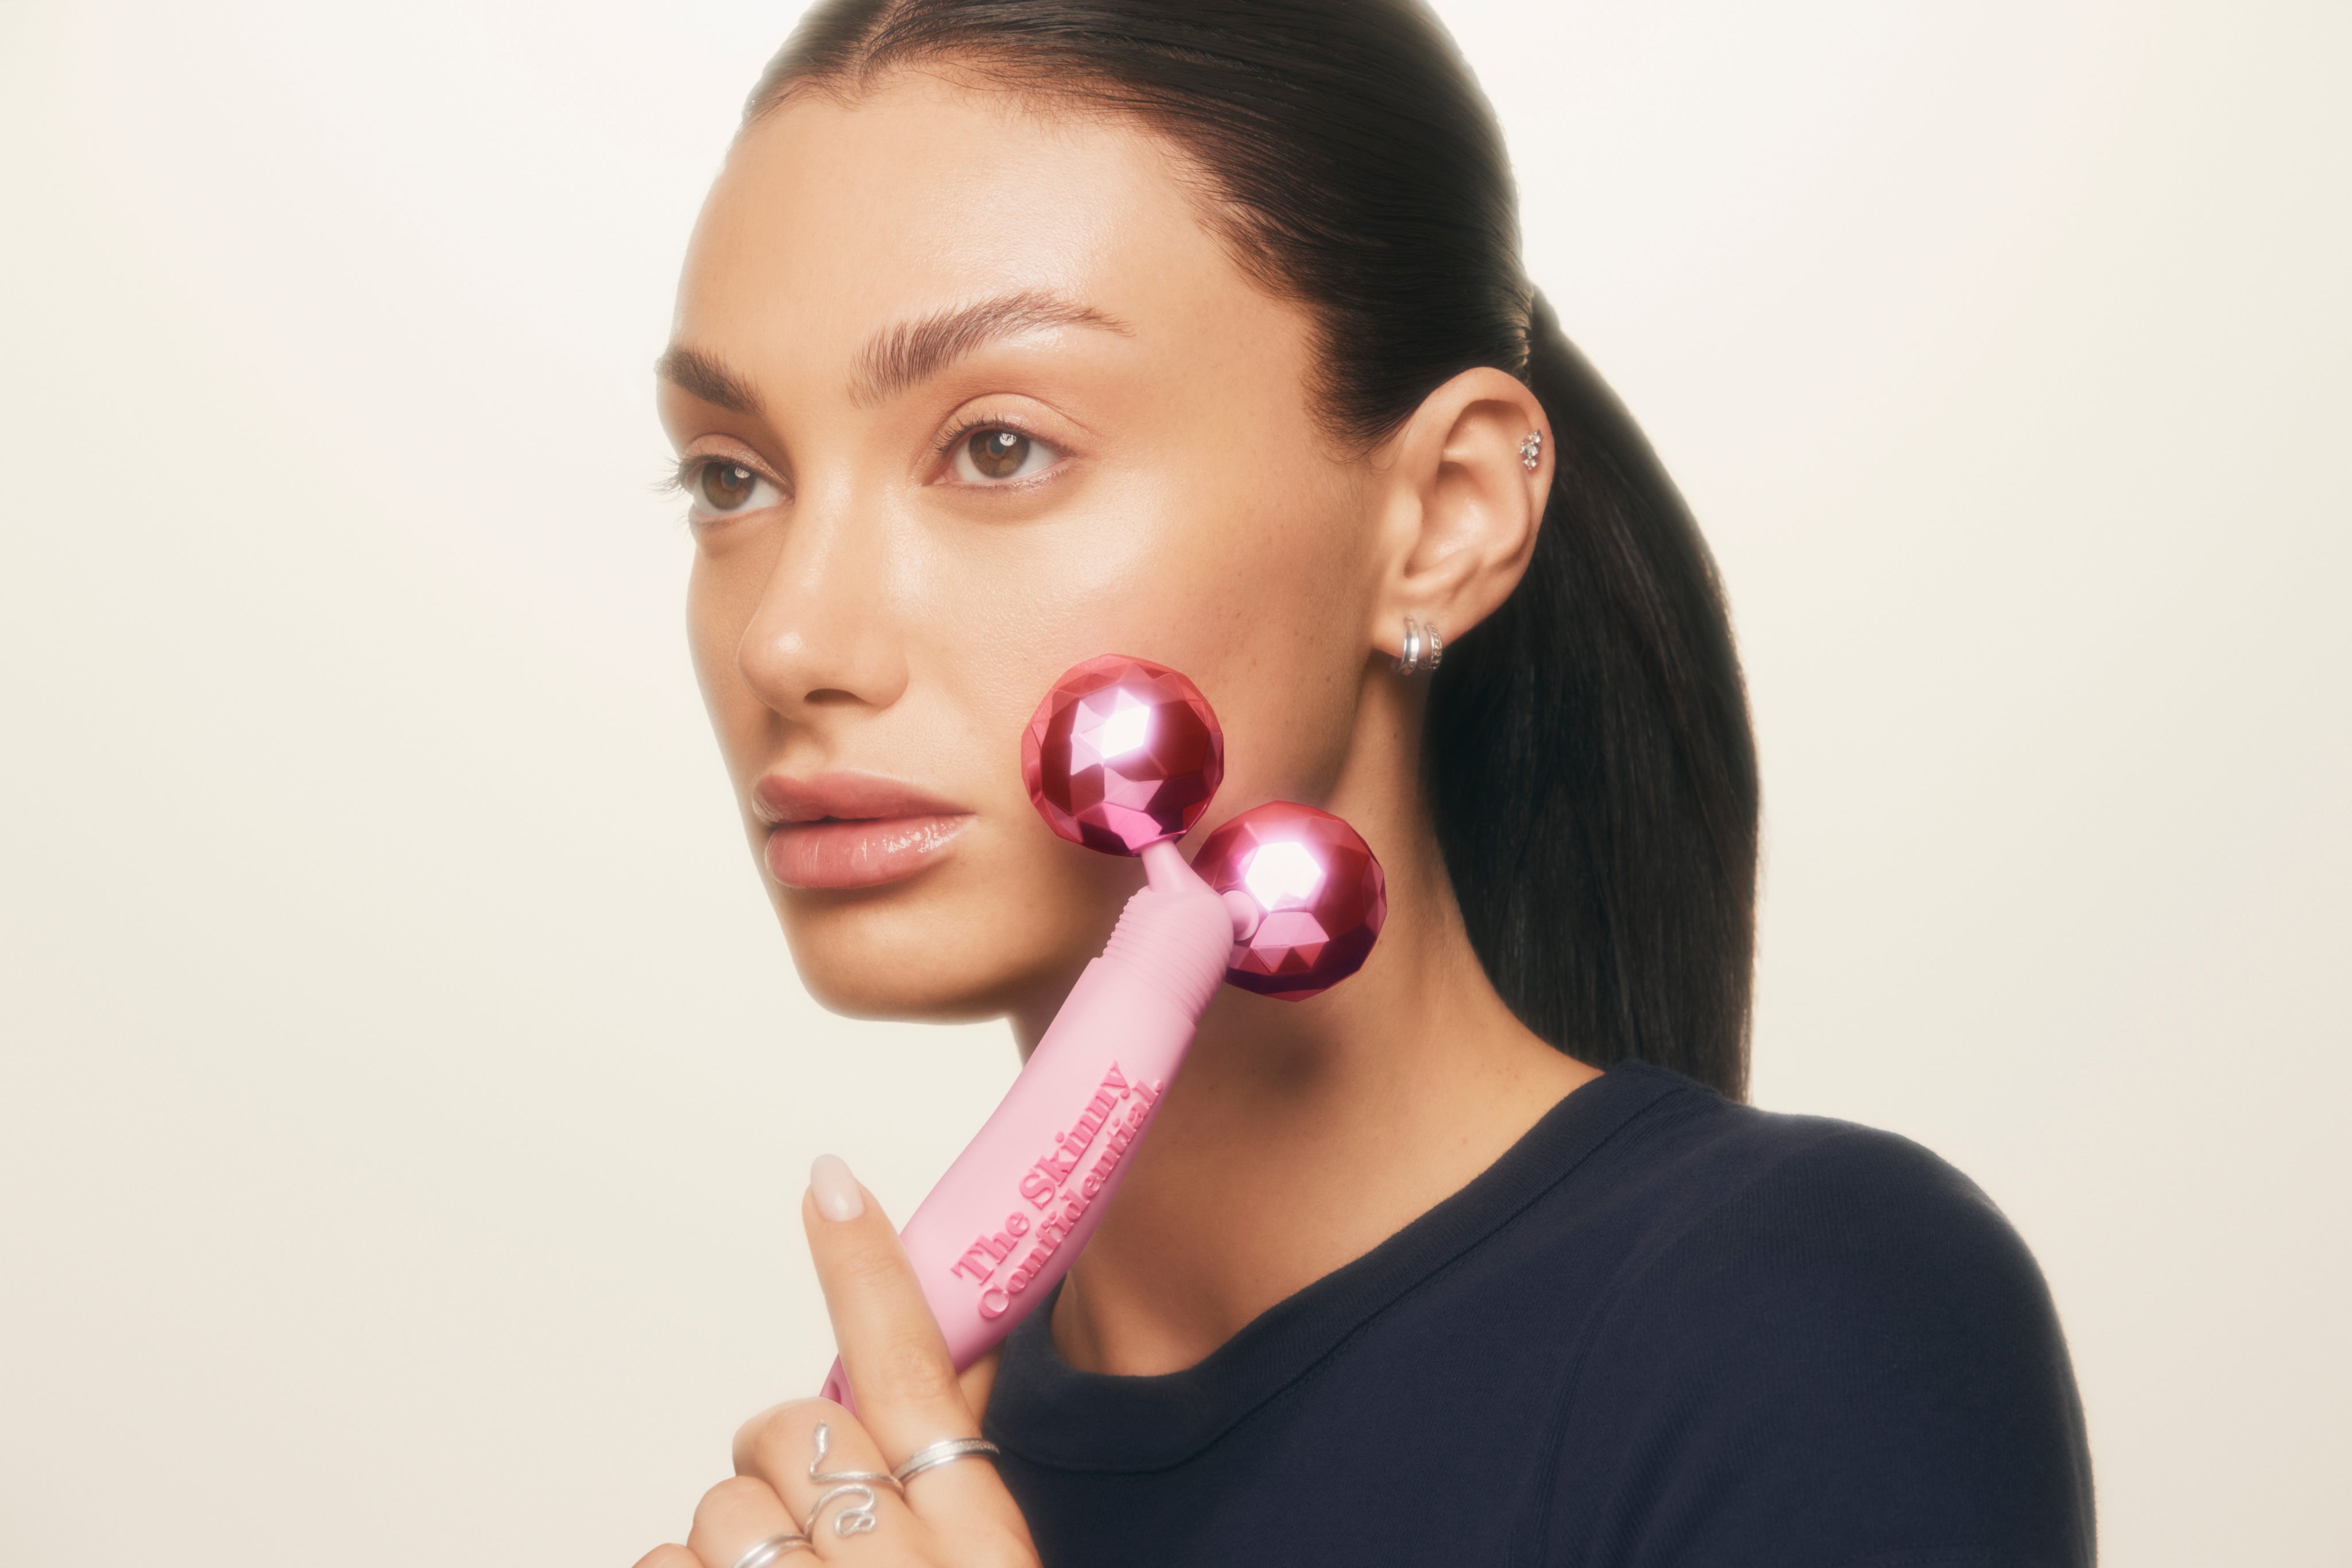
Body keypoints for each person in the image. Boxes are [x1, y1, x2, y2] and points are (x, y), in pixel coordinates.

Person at [636, 2, 2095, 1563]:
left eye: (999, 447)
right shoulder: (903, 1485)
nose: (791, 635)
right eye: (734, 476)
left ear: (1444, 517)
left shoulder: (1806, 1321)